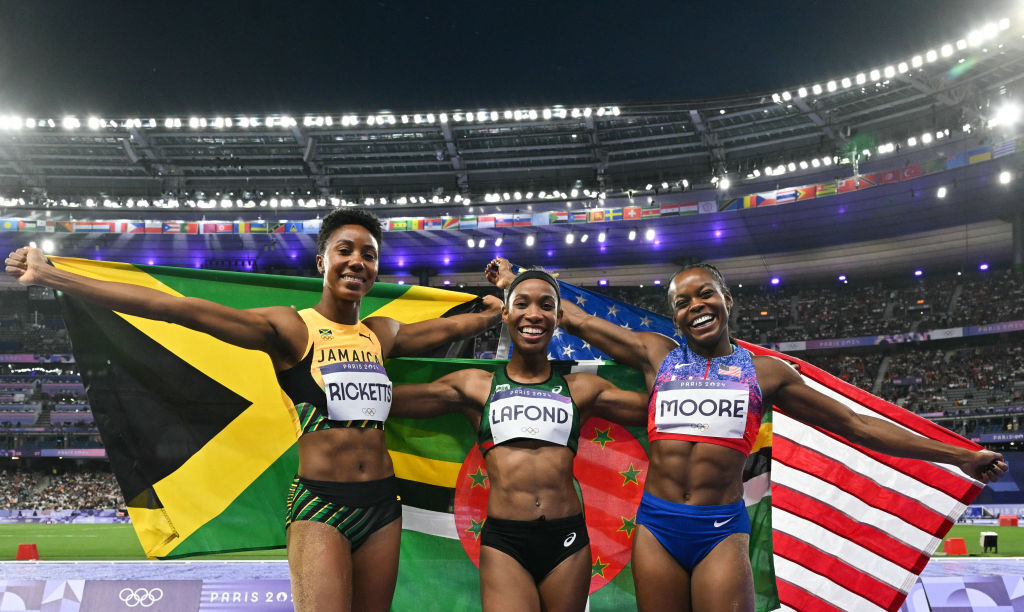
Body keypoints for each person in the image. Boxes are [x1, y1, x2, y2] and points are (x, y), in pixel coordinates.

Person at [5, 208, 503, 612]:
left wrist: (490, 311)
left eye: (368, 255)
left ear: (376, 269)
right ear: (321, 263)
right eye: (344, 251)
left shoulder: (382, 334)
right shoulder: (292, 329)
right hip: (321, 507)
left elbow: (447, 330)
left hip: (383, 507)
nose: (357, 262)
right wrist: (57, 277)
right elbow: (180, 310)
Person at [486, 258, 1007, 612]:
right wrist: (514, 280)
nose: (696, 306)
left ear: (726, 298)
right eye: (683, 302)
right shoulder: (656, 355)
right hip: (658, 526)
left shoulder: (766, 374)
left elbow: (855, 425)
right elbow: (567, 316)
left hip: (719, 530)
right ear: (675, 316)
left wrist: (957, 454)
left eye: (704, 294)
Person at [391, 268, 647, 612]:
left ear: (558, 317)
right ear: (507, 313)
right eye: (522, 304)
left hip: (566, 541)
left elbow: (660, 409)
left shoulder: (584, 390)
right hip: (505, 543)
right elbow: (383, 400)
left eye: (545, 306)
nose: (533, 314)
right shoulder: (474, 386)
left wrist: (578, 322)